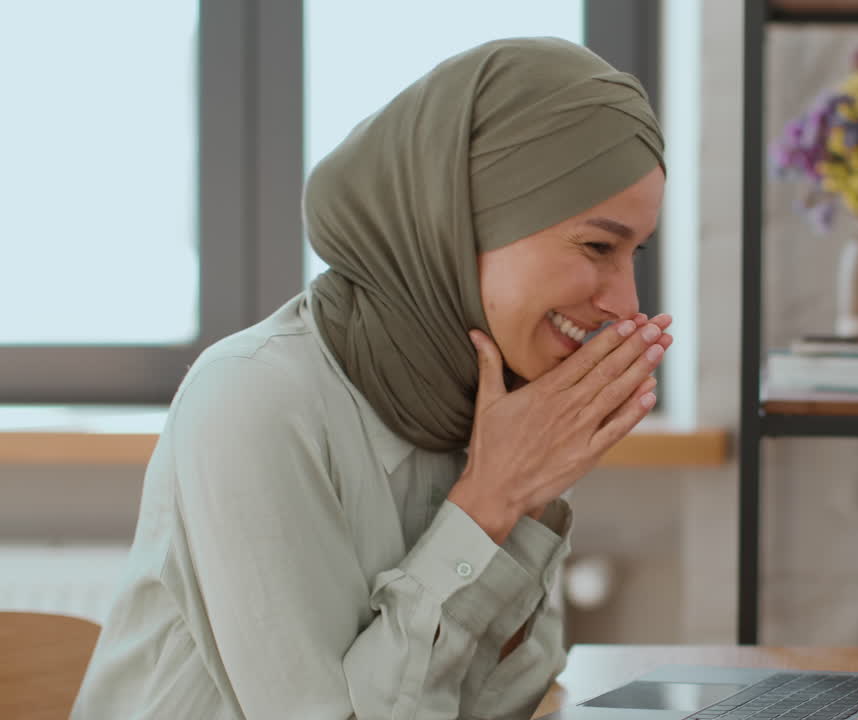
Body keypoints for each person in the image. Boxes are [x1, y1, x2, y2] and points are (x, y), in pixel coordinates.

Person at [72, 37, 670, 720]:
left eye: (634, 253)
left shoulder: (488, 408)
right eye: (598, 245)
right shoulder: (252, 398)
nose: (626, 304)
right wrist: (489, 502)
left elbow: (501, 703)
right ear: (464, 217)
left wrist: (525, 498)